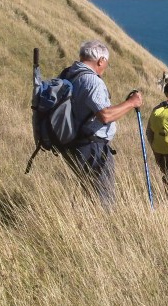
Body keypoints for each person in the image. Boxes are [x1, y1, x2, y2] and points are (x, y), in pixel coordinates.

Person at [60, 39, 143, 208]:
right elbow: (105, 115)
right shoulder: (92, 81)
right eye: (106, 63)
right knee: (103, 197)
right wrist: (131, 103)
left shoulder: (68, 73)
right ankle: (103, 228)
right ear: (101, 61)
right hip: (92, 146)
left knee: (88, 192)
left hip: (73, 142)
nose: (105, 67)